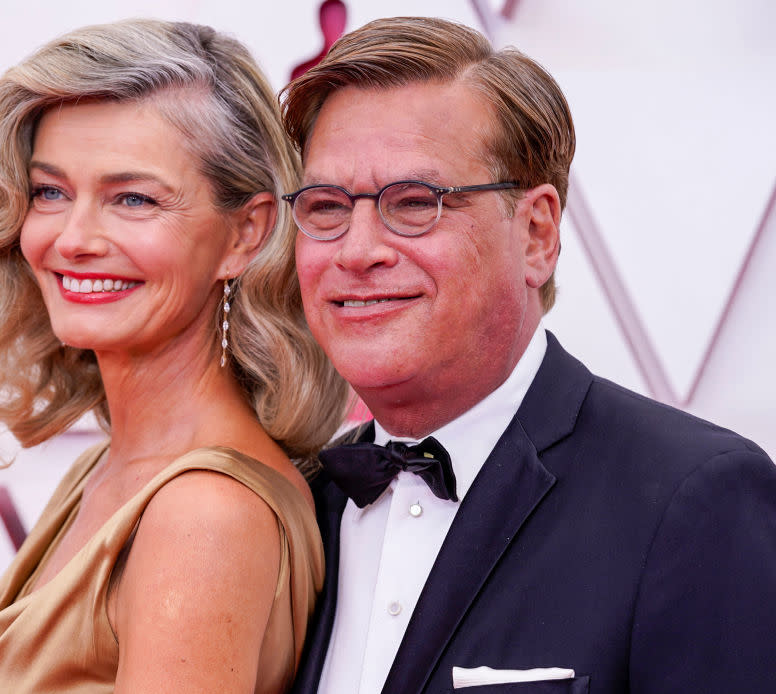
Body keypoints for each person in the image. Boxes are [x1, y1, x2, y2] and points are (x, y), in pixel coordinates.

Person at [280, 16, 776, 694]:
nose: (358, 250)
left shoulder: (694, 500)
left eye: (415, 202)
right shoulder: (291, 509)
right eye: (328, 206)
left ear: (537, 233)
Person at [0, 19, 350, 693]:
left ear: (246, 234)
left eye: (133, 198)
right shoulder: (114, 465)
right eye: (51, 192)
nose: (73, 238)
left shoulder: (204, 513)